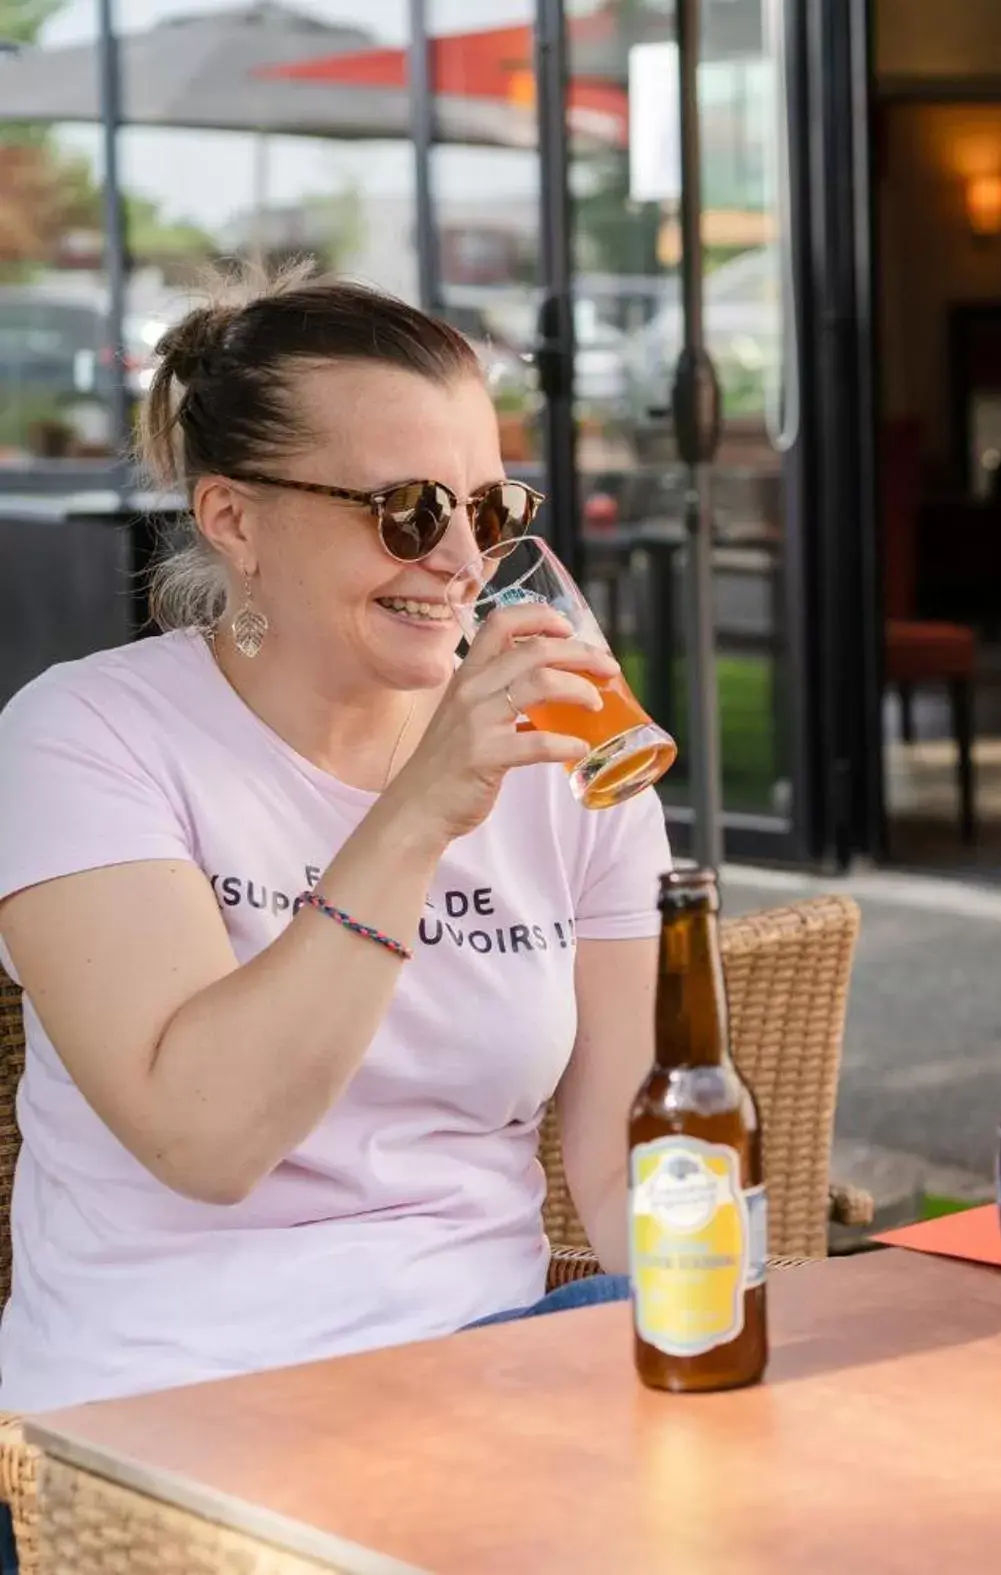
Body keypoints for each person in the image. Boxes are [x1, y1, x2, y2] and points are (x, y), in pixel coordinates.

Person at [0, 266, 670, 1445]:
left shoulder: (575, 751)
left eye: (493, 509)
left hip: (489, 1379)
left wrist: (711, 1330)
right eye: (409, 511)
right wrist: (419, 811)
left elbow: (620, 1157)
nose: (464, 562)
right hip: (168, 1415)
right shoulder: (84, 738)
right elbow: (205, 1138)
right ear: (235, 521)